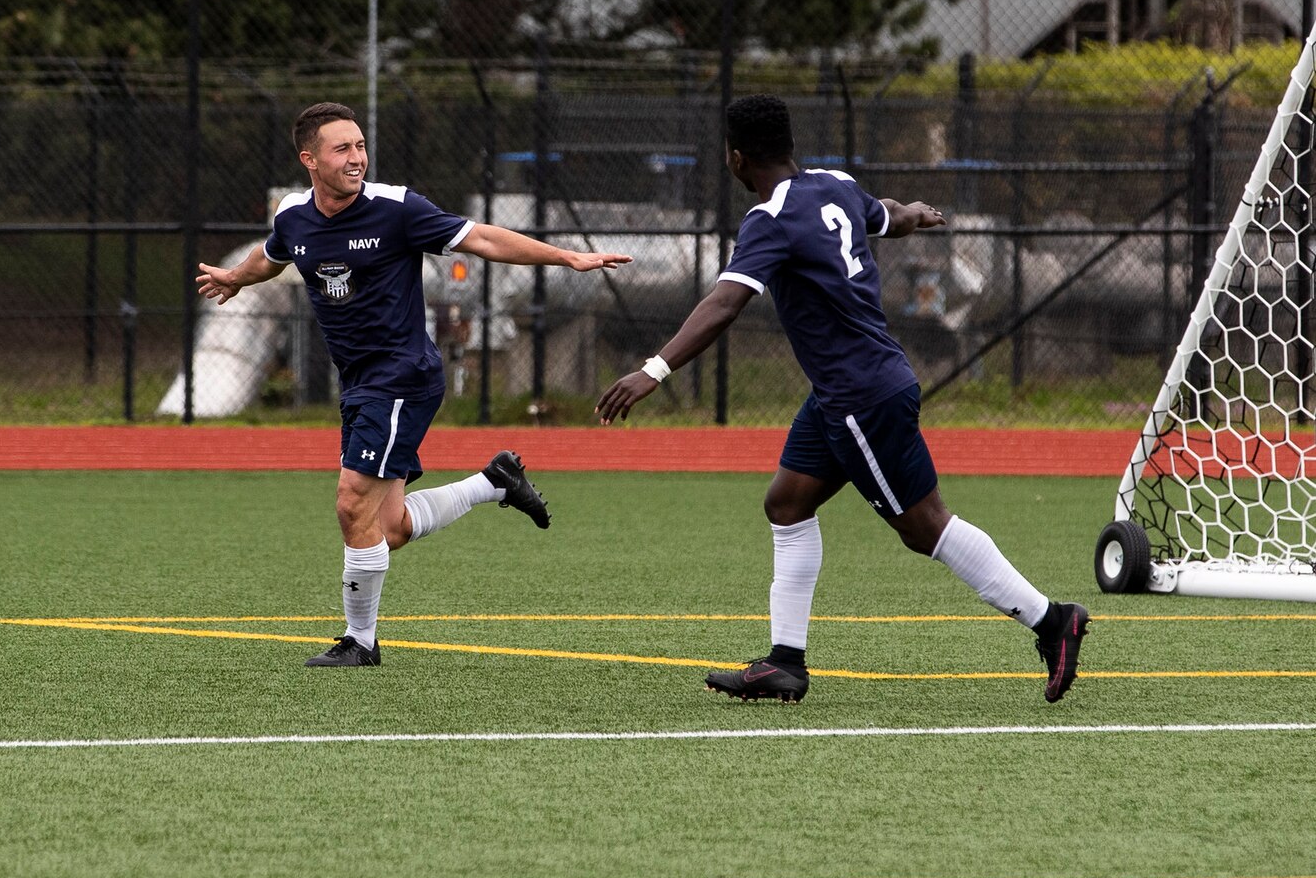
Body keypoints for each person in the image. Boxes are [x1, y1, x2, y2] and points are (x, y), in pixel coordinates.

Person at [595, 94, 1088, 705]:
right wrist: (915, 211)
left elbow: (724, 303)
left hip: (862, 396)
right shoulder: (833, 184)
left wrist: (654, 369)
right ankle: (784, 663)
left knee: (924, 525)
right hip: (842, 393)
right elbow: (889, 215)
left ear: (736, 157)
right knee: (787, 503)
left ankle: (1051, 620)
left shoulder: (768, 219)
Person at [198, 102, 631, 668]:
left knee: (353, 503)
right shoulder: (294, 215)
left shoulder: (397, 208)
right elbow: (275, 255)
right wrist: (235, 276)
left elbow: (484, 240)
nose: (356, 158)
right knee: (389, 528)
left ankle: (361, 642)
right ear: (309, 159)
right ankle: (495, 482)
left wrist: (568, 258)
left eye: (360, 146)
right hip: (359, 383)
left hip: (401, 377)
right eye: (341, 149)